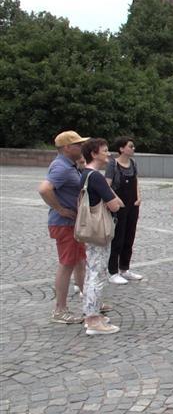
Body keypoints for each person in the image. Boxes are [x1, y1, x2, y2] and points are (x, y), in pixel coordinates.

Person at [39, 130, 90, 324]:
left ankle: (89, 300)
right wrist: (60, 209)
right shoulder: (61, 167)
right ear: (67, 148)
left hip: (70, 223)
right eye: (77, 144)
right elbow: (44, 189)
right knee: (67, 264)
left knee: (79, 261)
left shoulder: (68, 164)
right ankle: (60, 310)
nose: (81, 147)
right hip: (64, 223)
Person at [80, 138, 125, 335]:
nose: (108, 153)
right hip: (99, 230)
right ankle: (93, 320)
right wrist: (114, 201)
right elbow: (115, 204)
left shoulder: (85, 174)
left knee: (92, 271)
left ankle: (91, 312)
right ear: (94, 153)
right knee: (97, 274)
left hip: (90, 230)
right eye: (105, 150)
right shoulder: (96, 176)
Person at [106, 136, 143, 285]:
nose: (133, 149)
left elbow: (136, 181)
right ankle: (113, 271)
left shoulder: (133, 163)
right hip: (119, 205)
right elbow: (106, 185)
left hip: (133, 204)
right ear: (121, 148)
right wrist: (116, 199)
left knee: (130, 236)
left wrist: (139, 197)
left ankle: (125, 268)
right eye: (130, 146)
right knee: (118, 238)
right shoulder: (113, 164)